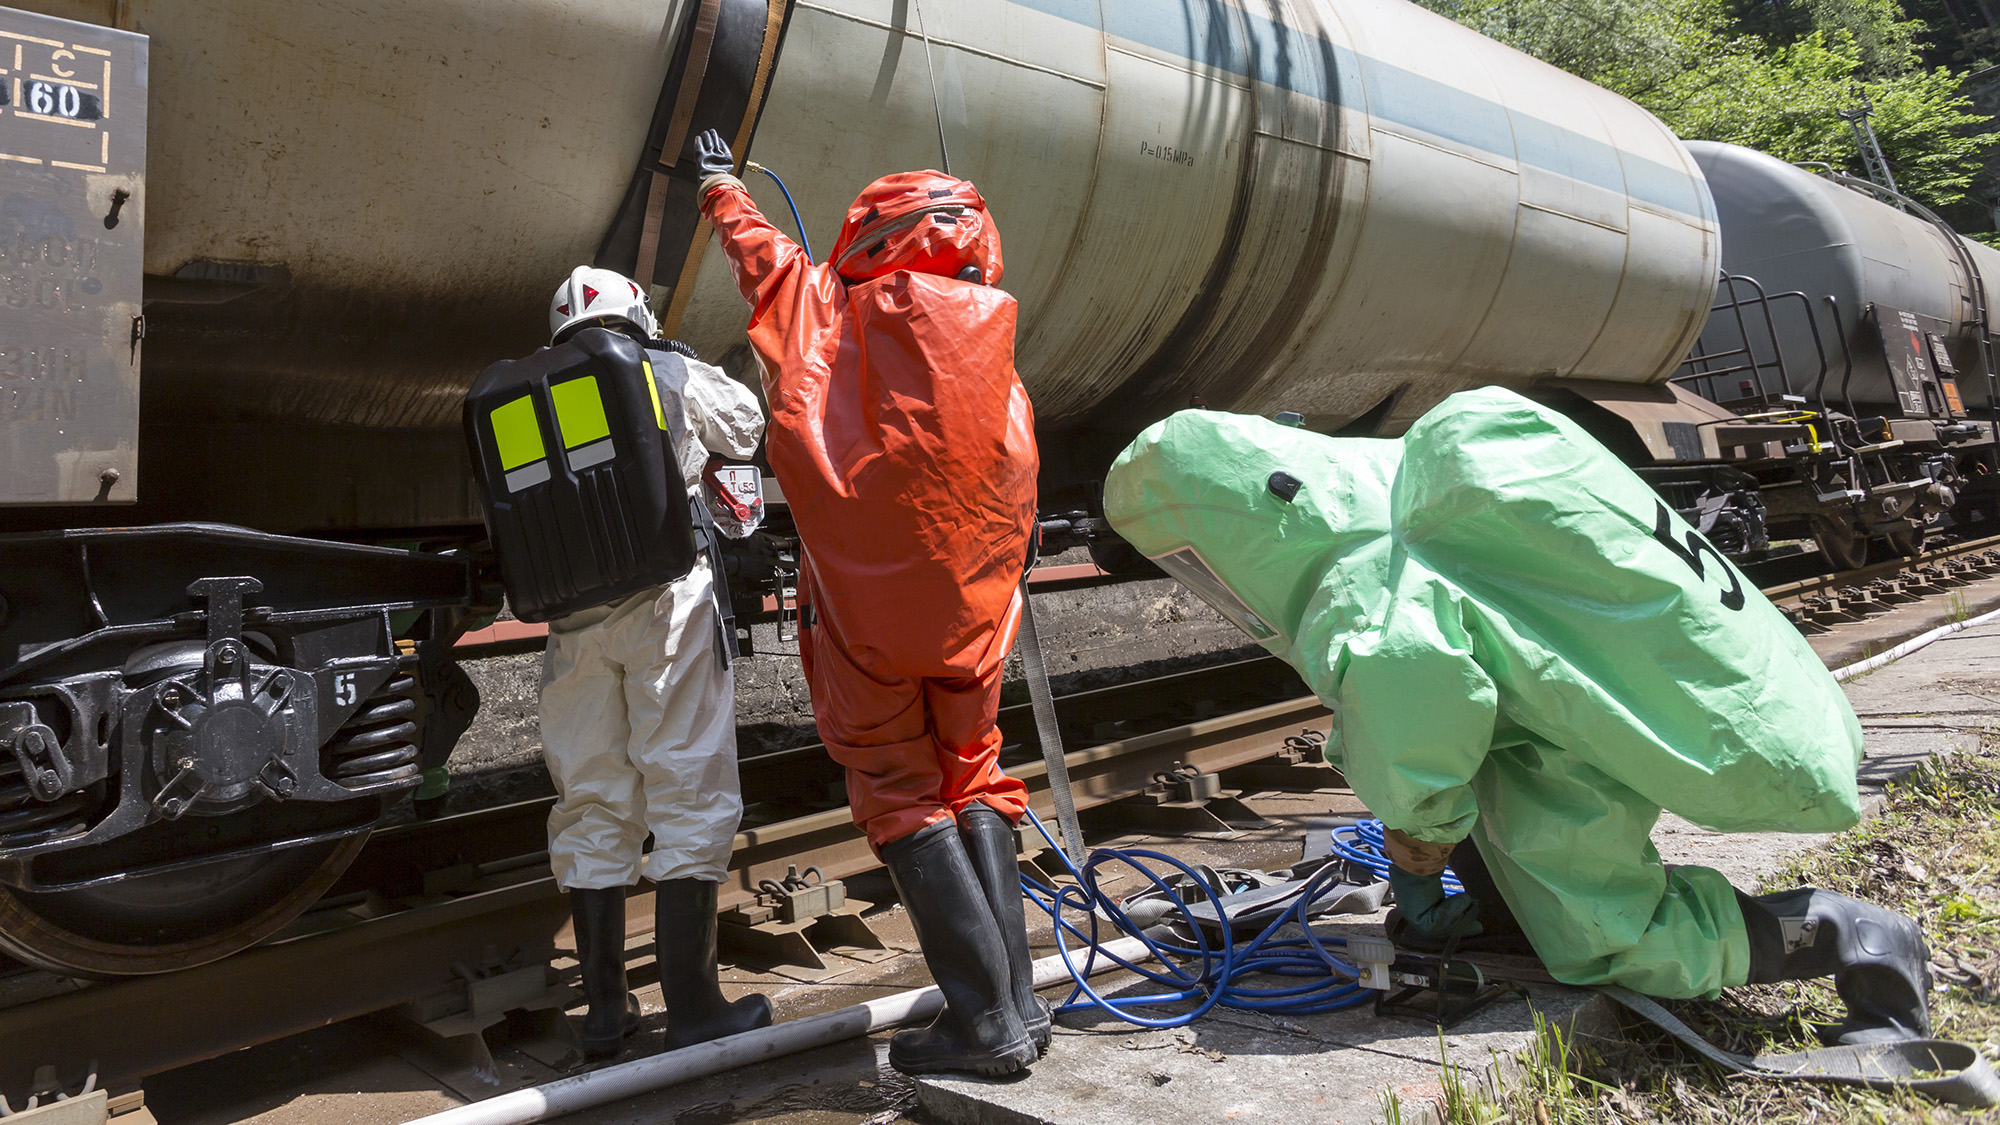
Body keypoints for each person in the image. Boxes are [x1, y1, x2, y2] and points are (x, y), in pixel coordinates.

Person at [1102, 387, 1930, 1045]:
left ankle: (1848, 934)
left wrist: (1417, 846)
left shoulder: (1358, 578)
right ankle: (1508, 920)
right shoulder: (1368, 489)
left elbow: (1415, 709)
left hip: (1566, 743)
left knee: (1607, 935)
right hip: (1553, 718)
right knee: (1519, 864)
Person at [690, 129, 1045, 1076]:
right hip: (976, 611)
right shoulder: (987, 319)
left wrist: (722, 186)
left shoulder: (826, 310)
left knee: (900, 790)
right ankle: (1022, 1008)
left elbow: (763, 261)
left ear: (869, 237)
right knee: (973, 773)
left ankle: (986, 1028)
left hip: (871, 622)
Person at [539, 265, 774, 1058]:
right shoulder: (661, 367)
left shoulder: (530, 392)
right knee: (689, 785)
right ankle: (695, 1002)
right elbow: (744, 424)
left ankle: (607, 1014)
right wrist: (681, 357)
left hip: (574, 621)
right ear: (637, 315)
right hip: (668, 605)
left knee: (593, 798)